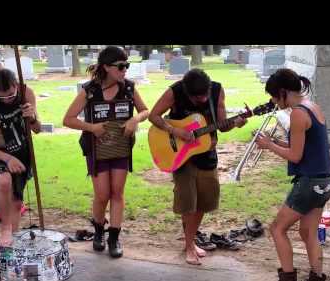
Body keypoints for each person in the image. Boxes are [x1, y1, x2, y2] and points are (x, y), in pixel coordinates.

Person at [148, 68, 247, 265]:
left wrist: (236, 123)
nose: (201, 100)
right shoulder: (174, 92)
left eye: (204, 96)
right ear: (186, 90)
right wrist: (175, 130)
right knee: (188, 204)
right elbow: (154, 116)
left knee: (203, 202)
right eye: (196, 98)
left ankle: (190, 242)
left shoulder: (217, 91)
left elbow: (222, 124)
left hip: (207, 154)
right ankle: (189, 245)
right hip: (182, 157)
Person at [256, 68, 330, 281]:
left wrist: (269, 146)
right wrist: (271, 141)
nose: (272, 101)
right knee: (307, 232)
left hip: (309, 183)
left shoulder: (297, 114)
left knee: (277, 229)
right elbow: (305, 146)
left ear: (282, 92)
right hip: (325, 181)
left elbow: (295, 156)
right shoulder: (312, 106)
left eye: (273, 96)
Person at [63, 46, 149, 258]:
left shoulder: (128, 88)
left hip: (121, 148)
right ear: (106, 67)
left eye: (127, 65)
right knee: (102, 195)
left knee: (117, 192)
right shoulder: (89, 90)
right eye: (121, 66)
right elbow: (68, 119)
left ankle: (114, 237)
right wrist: (92, 128)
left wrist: (134, 119)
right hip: (97, 149)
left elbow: (146, 111)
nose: (125, 70)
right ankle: (99, 231)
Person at [0, 68, 41, 248]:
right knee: (4, 182)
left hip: (21, 149)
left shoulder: (26, 92)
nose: (6, 100)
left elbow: (38, 129)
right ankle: (5, 228)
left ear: (16, 86)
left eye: (11, 95)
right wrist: (6, 159)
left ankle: (12, 241)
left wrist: (33, 117)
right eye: (0, 96)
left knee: (17, 200)